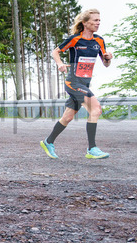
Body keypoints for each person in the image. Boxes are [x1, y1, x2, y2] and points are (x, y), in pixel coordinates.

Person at [40, 8, 113, 159]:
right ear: (85, 23)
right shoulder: (75, 39)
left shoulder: (99, 41)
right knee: (96, 109)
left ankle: (48, 141)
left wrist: (108, 58)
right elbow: (55, 51)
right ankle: (92, 148)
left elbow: (106, 64)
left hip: (84, 84)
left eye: (99, 20)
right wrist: (60, 64)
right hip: (73, 82)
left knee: (67, 117)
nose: (98, 23)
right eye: (95, 20)